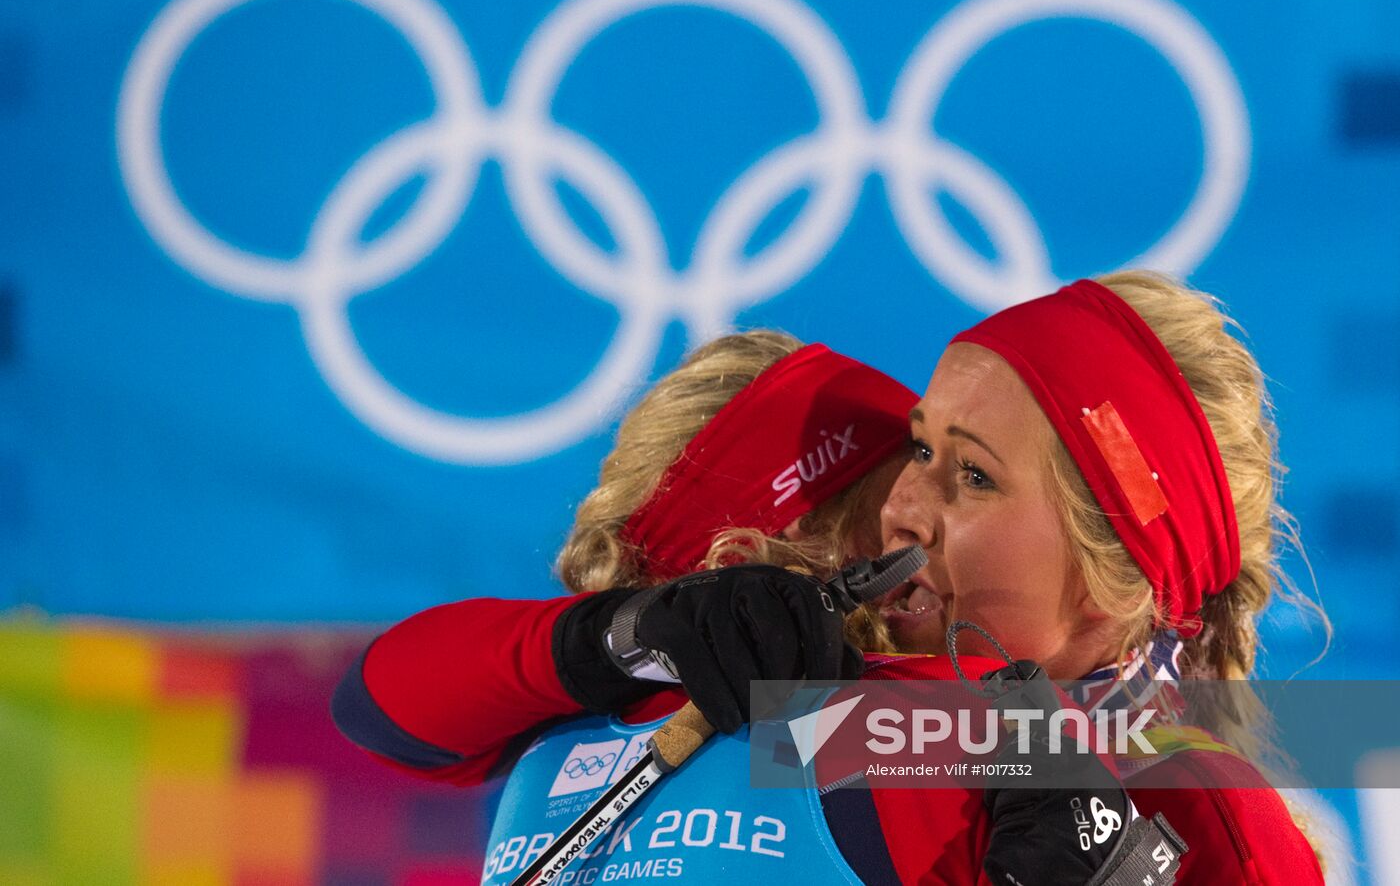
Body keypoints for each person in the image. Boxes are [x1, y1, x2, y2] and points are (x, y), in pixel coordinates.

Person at [334, 331, 1128, 885]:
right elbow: (375, 701)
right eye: (890, 493)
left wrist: (622, 636)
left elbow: (379, 702)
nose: (921, 520)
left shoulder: (555, 741)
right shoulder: (933, 719)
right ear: (759, 562)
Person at [877, 270, 1326, 884]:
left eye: (976, 475)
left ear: (1111, 578)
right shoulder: (863, 724)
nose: (898, 510)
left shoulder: (1207, 826)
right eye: (922, 448)